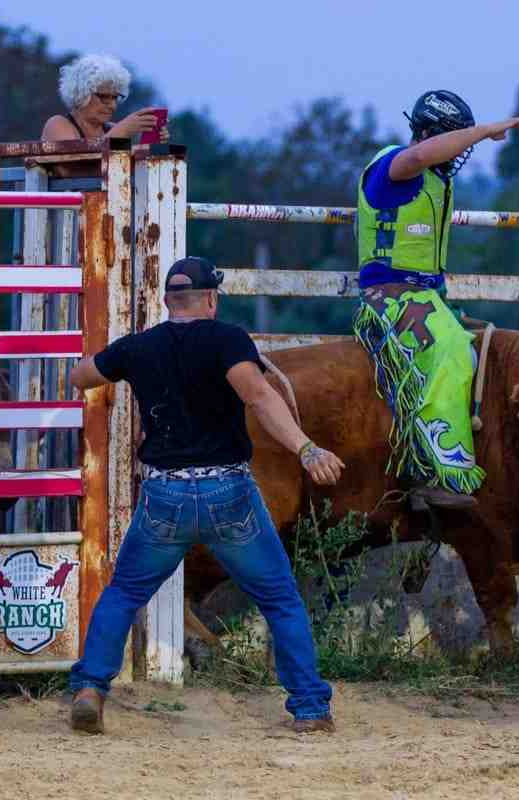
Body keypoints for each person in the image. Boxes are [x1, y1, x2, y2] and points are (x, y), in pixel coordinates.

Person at [66, 256, 345, 735]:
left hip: (164, 494)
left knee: (125, 593)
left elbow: (82, 376)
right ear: (211, 298)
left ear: (168, 300)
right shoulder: (228, 340)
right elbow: (257, 395)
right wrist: (306, 447)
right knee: (279, 598)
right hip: (227, 493)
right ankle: (309, 707)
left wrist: (119, 361)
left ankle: (91, 687)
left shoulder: (140, 347)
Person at [353, 91, 519, 510]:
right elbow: (416, 158)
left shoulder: (434, 178)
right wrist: (483, 131)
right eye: (457, 138)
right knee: (450, 348)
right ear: (427, 134)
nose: (463, 148)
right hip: (391, 294)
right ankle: (433, 472)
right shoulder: (394, 166)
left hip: (428, 294)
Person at [41, 53, 169, 143]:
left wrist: (150, 143)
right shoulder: (58, 124)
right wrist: (121, 132)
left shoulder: (112, 129)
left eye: (115, 98)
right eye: (104, 97)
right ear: (81, 92)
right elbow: (72, 167)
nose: (112, 106)